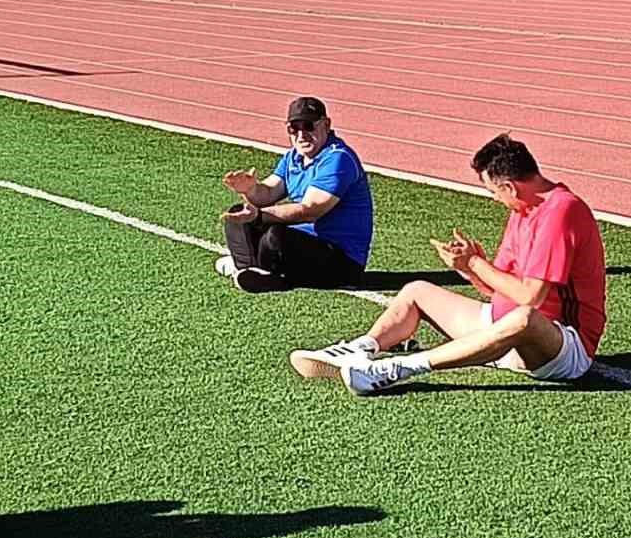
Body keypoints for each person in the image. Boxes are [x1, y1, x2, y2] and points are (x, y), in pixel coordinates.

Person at [290, 133, 607, 397]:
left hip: (564, 347)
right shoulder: (522, 210)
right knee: (417, 291)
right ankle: (360, 349)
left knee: (524, 318)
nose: (495, 199)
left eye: (493, 191)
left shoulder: (561, 212)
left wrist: (476, 263)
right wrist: (468, 268)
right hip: (502, 328)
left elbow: (530, 298)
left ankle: (396, 368)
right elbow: (499, 287)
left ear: (510, 186)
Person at [216, 95, 374, 294]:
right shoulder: (293, 157)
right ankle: (250, 271)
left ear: (326, 125)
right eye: (293, 128)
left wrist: (259, 216)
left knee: (275, 237)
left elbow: (310, 211)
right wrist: (250, 189)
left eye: (308, 126)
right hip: (310, 245)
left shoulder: (338, 159)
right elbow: (268, 193)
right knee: (237, 215)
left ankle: (259, 271)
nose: (301, 135)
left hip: (343, 260)